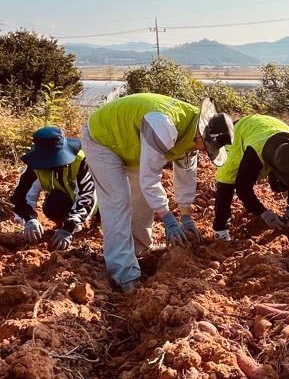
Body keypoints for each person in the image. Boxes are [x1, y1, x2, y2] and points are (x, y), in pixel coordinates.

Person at [80, 94, 233, 293]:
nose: (205, 151)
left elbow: (186, 173)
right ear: (201, 135)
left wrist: (186, 217)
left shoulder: (193, 133)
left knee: (142, 197)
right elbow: (150, 180)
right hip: (102, 139)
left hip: (130, 144)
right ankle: (123, 274)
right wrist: (168, 218)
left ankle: (139, 249)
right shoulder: (164, 126)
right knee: (117, 201)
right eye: (207, 147)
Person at [212, 114, 289, 241]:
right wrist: (264, 214)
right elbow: (242, 188)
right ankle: (220, 231)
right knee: (227, 179)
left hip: (270, 128)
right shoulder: (254, 156)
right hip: (240, 133)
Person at [11, 126, 98, 251]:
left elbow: (87, 196)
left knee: (105, 204)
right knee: (54, 203)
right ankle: (61, 224)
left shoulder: (81, 161)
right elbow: (20, 196)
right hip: (66, 200)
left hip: (99, 200)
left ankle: (98, 223)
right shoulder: (35, 166)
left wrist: (69, 227)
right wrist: (29, 219)